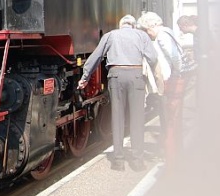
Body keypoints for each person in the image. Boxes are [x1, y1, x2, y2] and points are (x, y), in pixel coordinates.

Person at [78, 14, 158, 172]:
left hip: (115, 76)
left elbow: (96, 56)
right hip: (136, 75)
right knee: (137, 117)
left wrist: (85, 77)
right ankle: (137, 161)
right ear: (133, 25)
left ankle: (119, 161)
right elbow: (153, 58)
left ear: (121, 25)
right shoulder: (141, 35)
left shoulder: (110, 35)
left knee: (118, 117)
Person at [138, 12, 189, 165]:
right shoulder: (168, 32)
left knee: (168, 117)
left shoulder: (161, 36)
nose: (148, 34)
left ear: (152, 26)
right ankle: (173, 151)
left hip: (169, 81)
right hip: (171, 79)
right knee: (171, 117)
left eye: (147, 30)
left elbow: (174, 58)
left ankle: (171, 154)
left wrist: (177, 74)